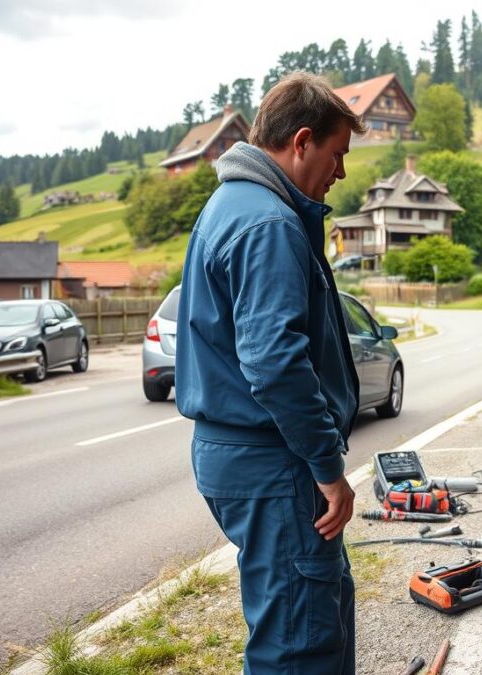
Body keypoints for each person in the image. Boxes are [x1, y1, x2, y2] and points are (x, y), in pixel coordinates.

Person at [175, 72, 366, 672]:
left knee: (314, 613)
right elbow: (276, 364)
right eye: (337, 155)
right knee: (299, 645)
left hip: (252, 457)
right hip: (274, 462)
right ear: (302, 141)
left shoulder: (236, 205)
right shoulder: (268, 224)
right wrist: (329, 469)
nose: (340, 174)